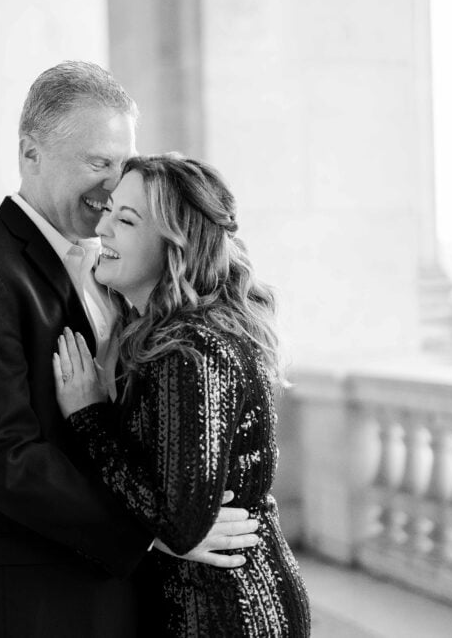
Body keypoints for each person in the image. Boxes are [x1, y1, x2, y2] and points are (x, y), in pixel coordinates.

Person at [0, 62, 262, 638]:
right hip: (35, 605)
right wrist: (162, 530)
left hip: (128, 596)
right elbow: (5, 459)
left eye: (121, 164)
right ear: (31, 153)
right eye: (96, 162)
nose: (112, 187)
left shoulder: (118, 269)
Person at [53, 153, 311, 637]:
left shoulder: (191, 350)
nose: (103, 228)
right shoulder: (167, 336)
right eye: (108, 210)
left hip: (229, 613)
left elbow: (179, 526)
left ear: (174, 245)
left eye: (126, 220)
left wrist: (88, 417)